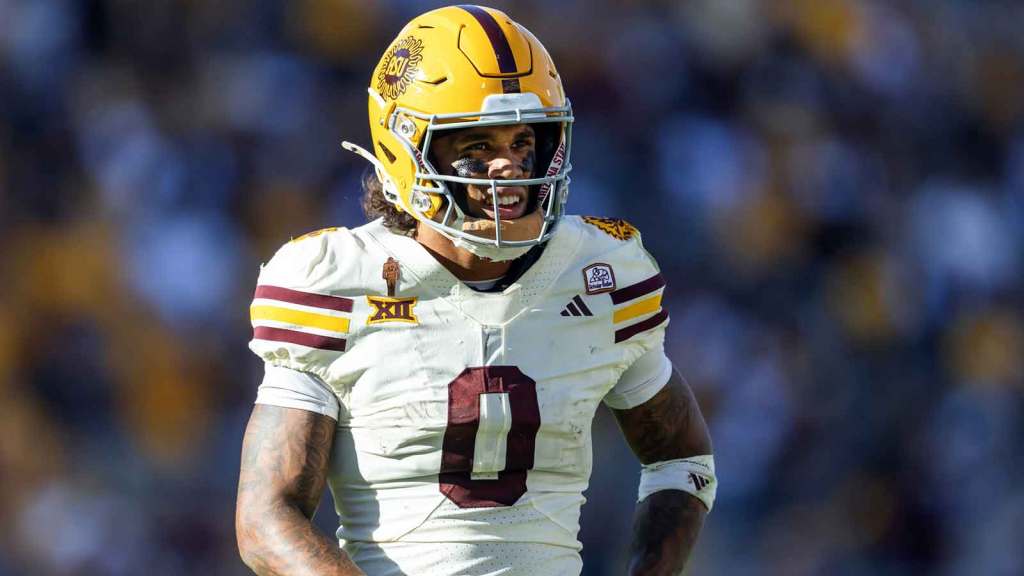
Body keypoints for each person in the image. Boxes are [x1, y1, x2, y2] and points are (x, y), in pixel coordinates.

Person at [235, 5, 715, 576]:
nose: (508, 167)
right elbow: (265, 519)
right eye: (478, 146)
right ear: (406, 148)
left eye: (523, 141)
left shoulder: (597, 272)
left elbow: (681, 459)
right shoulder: (338, 281)